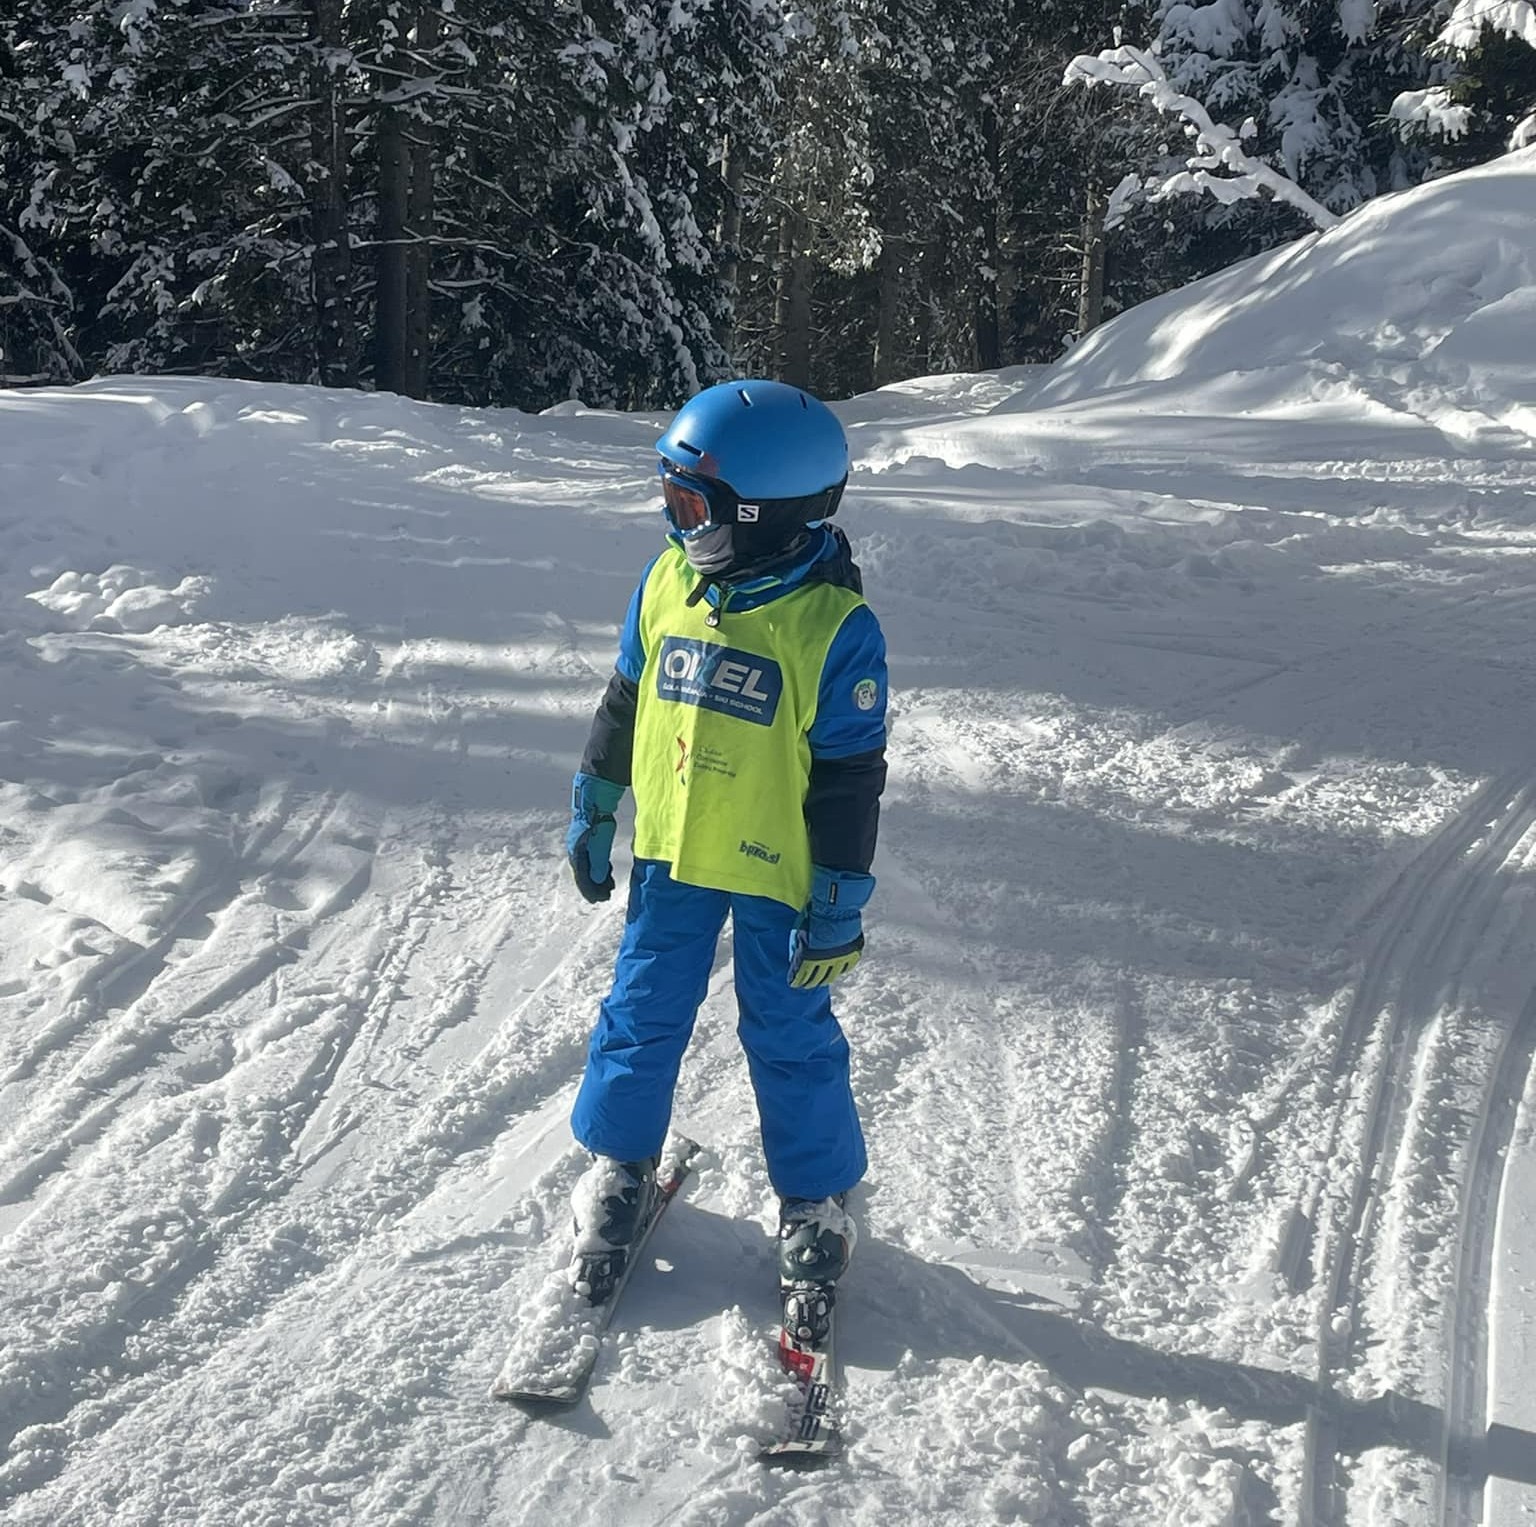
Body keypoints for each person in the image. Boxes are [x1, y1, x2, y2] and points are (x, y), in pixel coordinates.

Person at [563, 378, 888, 1333]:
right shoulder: (669, 578)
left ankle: (815, 1198)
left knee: (788, 1037)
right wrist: (595, 799)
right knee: (640, 1013)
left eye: (692, 504)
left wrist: (839, 894)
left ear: (764, 514)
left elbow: (847, 778)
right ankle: (619, 1166)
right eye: (670, 498)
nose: (675, 521)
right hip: (673, 856)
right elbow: (627, 697)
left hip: (781, 880)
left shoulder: (834, 629)